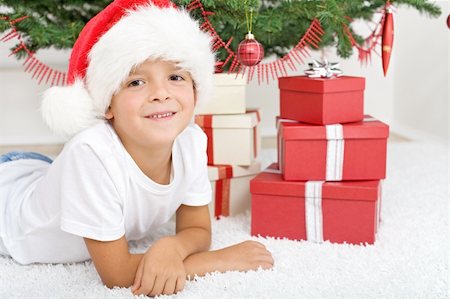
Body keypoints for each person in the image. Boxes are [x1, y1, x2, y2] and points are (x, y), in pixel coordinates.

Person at [0, 0, 274, 296]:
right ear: (107, 106)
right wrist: (219, 260)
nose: (160, 93)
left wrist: (171, 246)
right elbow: (116, 274)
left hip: (40, 171)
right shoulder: (91, 154)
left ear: (196, 90)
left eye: (175, 77)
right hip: (9, 200)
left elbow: (197, 229)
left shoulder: (191, 140)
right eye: (136, 82)